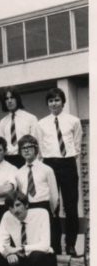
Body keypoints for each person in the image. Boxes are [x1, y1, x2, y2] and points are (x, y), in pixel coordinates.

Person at [38, 88, 82, 256]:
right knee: (53, 205)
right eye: (50, 101)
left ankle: (70, 245)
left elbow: (77, 144)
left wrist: (69, 158)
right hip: (50, 164)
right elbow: (41, 147)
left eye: (57, 100)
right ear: (47, 104)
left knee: (71, 205)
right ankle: (54, 245)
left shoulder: (74, 121)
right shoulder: (41, 124)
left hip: (68, 163)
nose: (54, 103)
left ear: (63, 102)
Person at [15, 135, 60, 254]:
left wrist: (52, 211)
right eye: (23, 148)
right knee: (33, 236)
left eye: (29, 147)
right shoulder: (19, 172)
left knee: (48, 237)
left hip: (44, 206)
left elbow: (54, 194)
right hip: (29, 207)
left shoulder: (47, 169)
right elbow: (20, 192)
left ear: (36, 149)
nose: (26, 150)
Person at [0, 87, 39, 168]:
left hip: (25, 158)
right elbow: (2, 145)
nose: (9, 101)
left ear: (17, 99)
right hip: (8, 160)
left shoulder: (30, 118)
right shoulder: (2, 122)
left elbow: (35, 142)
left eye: (12, 98)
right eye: (7, 99)